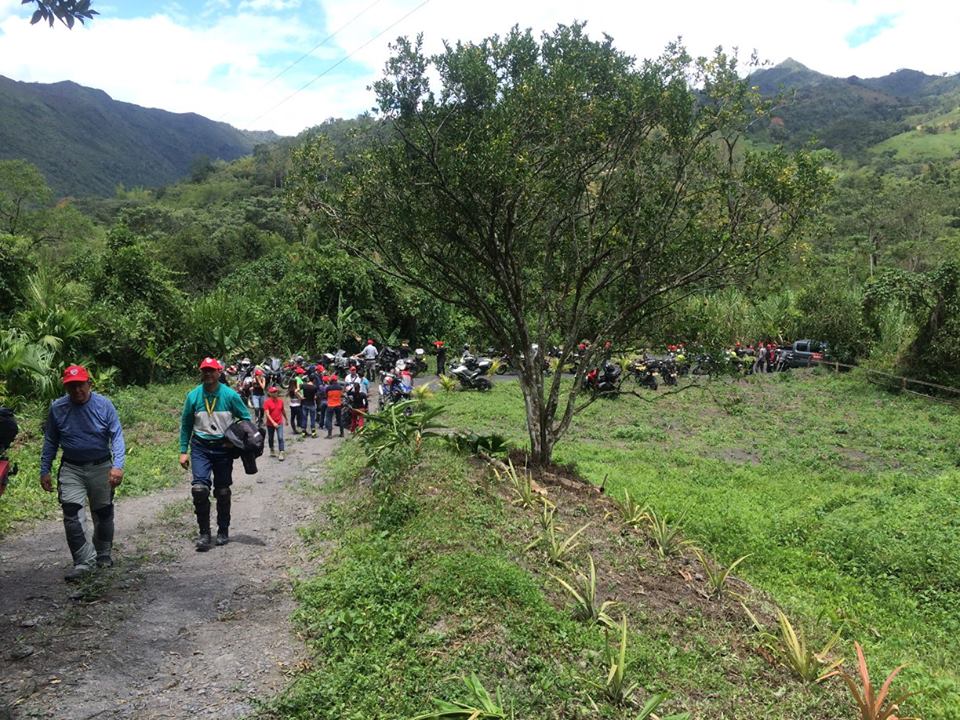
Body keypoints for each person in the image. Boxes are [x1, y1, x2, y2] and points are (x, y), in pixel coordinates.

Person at [40, 365, 125, 581]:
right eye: (72, 387)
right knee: (72, 514)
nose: (77, 390)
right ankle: (83, 562)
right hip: (71, 468)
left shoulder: (104, 405)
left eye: (80, 385)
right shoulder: (58, 408)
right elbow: (51, 439)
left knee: (103, 512)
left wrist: (118, 465)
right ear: (66, 388)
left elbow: (116, 435)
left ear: (89, 384)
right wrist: (45, 469)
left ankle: (103, 554)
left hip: (101, 466)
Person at [179, 357, 251, 552]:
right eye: (205, 371)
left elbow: (246, 419)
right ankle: (204, 533)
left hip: (223, 449)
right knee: (199, 490)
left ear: (219, 373)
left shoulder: (230, 396)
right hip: (200, 447)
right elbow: (186, 424)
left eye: (212, 370)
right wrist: (183, 451)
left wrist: (233, 440)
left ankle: (223, 530)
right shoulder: (193, 396)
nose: (208, 374)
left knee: (222, 491)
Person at [263, 386, 288, 460]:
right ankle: (272, 449)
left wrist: (286, 419)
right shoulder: (267, 402)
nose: (275, 393)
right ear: (270, 393)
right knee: (270, 438)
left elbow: (283, 411)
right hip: (270, 424)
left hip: (279, 422)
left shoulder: (280, 401)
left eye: (276, 392)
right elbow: (267, 414)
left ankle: (281, 452)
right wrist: (273, 422)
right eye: (273, 392)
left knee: (280, 437)